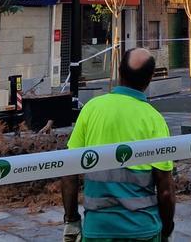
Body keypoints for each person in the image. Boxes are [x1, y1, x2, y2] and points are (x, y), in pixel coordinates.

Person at [62, 48, 175, 242]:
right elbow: (165, 189)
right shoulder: (154, 120)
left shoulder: (91, 109)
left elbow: (69, 173)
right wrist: (166, 230)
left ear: (119, 73)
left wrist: (71, 221)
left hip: (97, 230)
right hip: (143, 230)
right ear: (149, 80)